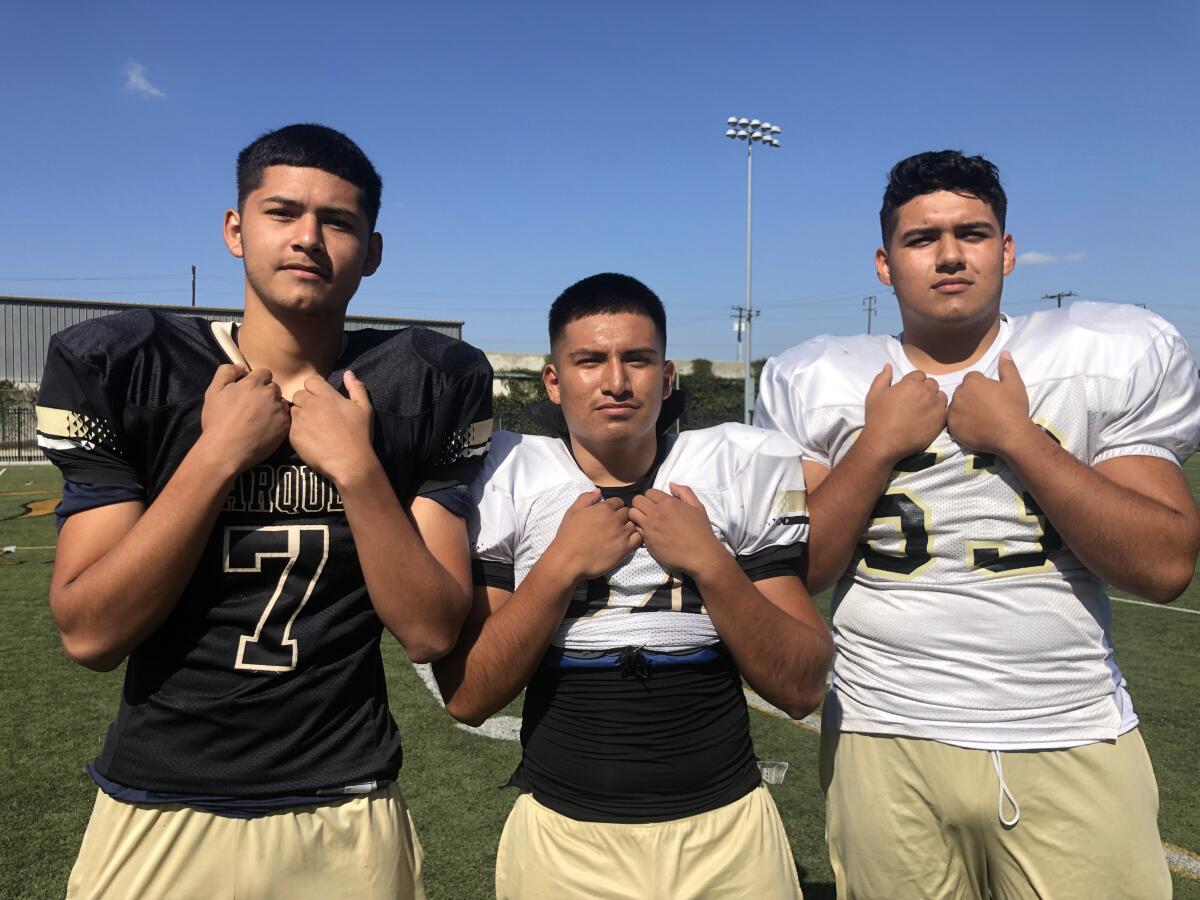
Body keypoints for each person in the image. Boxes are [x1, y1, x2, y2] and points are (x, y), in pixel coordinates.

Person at [36, 123, 493, 899]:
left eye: (338, 221)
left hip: (347, 801)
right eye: (283, 213)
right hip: (161, 798)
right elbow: (91, 631)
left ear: (372, 252)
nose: (309, 238)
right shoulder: (125, 367)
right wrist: (217, 457)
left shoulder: (426, 380)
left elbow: (430, 629)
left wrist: (357, 468)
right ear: (235, 229)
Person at [755, 149, 1200, 899]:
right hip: (881, 730)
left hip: (1067, 725)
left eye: (974, 232)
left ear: (1009, 250)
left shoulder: (1096, 355)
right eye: (922, 238)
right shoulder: (821, 377)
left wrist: (1019, 437)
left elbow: (1163, 567)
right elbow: (798, 573)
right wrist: (877, 446)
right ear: (884, 263)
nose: (951, 254)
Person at [433, 272, 833, 899]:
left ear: (667, 378)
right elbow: (467, 696)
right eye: (589, 360)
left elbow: (803, 685)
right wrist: (560, 566)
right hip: (563, 838)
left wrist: (710, 562)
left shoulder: (734, 470)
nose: (616, 381)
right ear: (554, 380)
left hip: (726, 833)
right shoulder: (509, 476)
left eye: (637, 359)